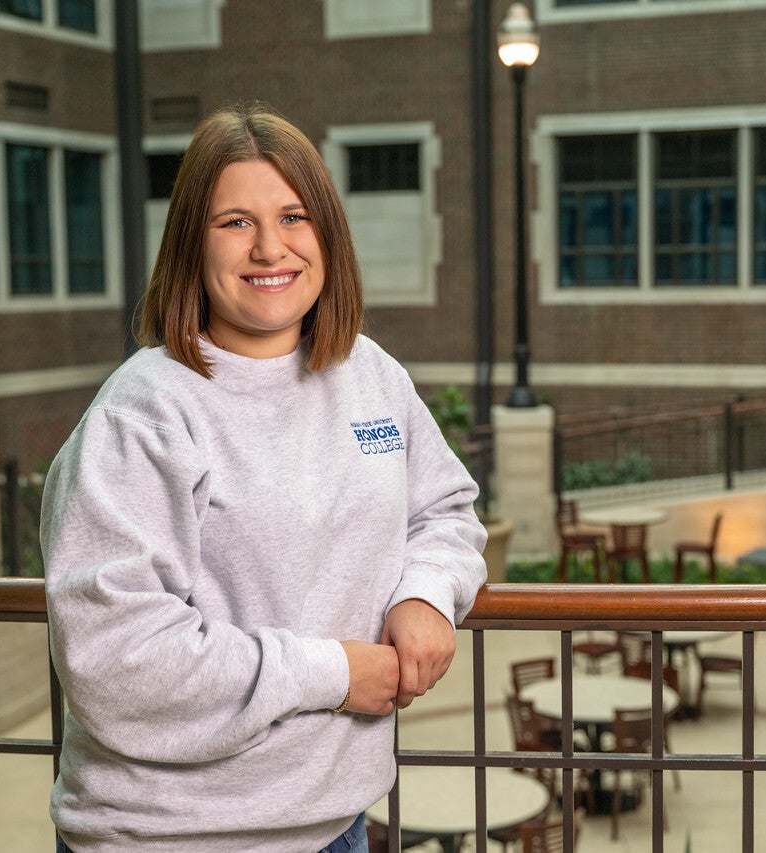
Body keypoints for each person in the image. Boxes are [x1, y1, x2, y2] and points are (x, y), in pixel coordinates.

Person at [41, 102, 487, 853]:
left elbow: (446, 509)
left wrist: (427, 593)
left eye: (294, 216)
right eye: (235, 223)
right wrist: (332, 672)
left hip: (334, 822)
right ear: (192, 244)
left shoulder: (371, 376)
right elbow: (115, 657)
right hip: (170, 838)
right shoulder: (143, 413)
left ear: (328, 236)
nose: (270, 247)